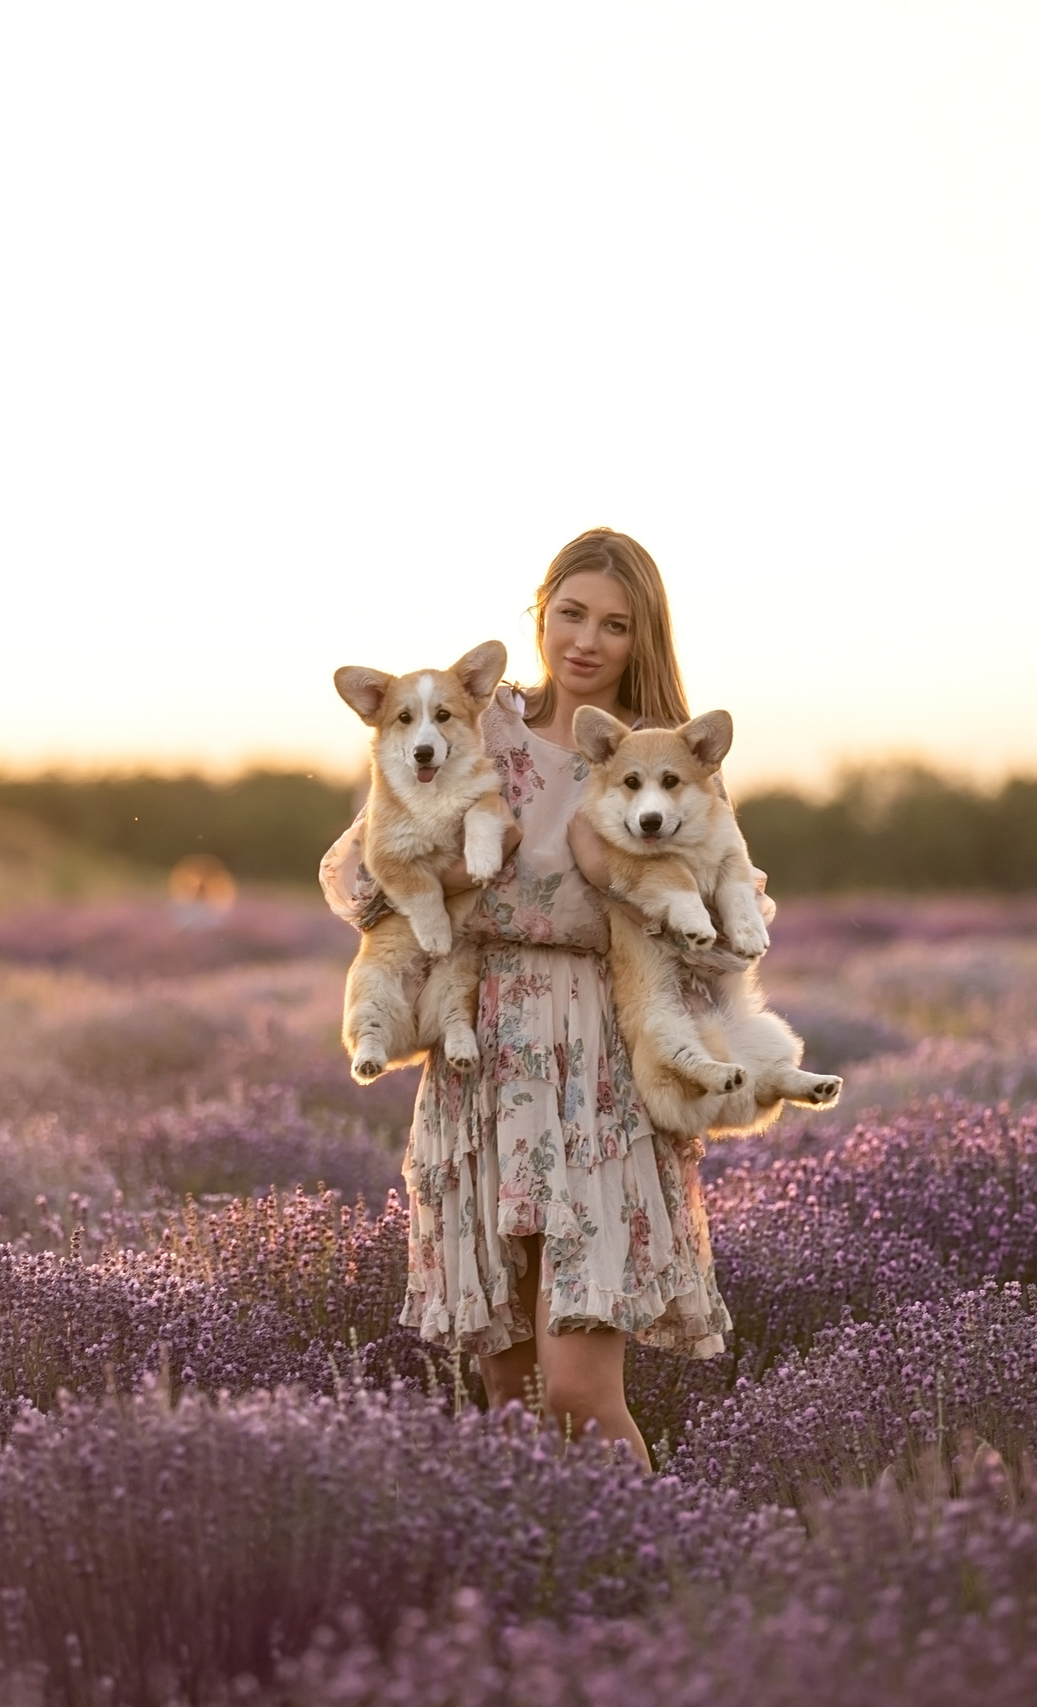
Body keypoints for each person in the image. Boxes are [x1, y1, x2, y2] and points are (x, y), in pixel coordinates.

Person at [320, 526, 745, 1467]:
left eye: (615, 625)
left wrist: (662, 904)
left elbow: (724, 924)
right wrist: (443, 885)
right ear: (540, 612)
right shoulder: (479, 724)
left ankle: (658, 1557)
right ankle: (548, 1561)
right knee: (512, 1399)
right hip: (485, 1052)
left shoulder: (659, 757)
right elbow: (352, 873)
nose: (586, 640)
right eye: (571, 614)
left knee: (579, 1395)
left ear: (643, 638)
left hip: (600, 1064)